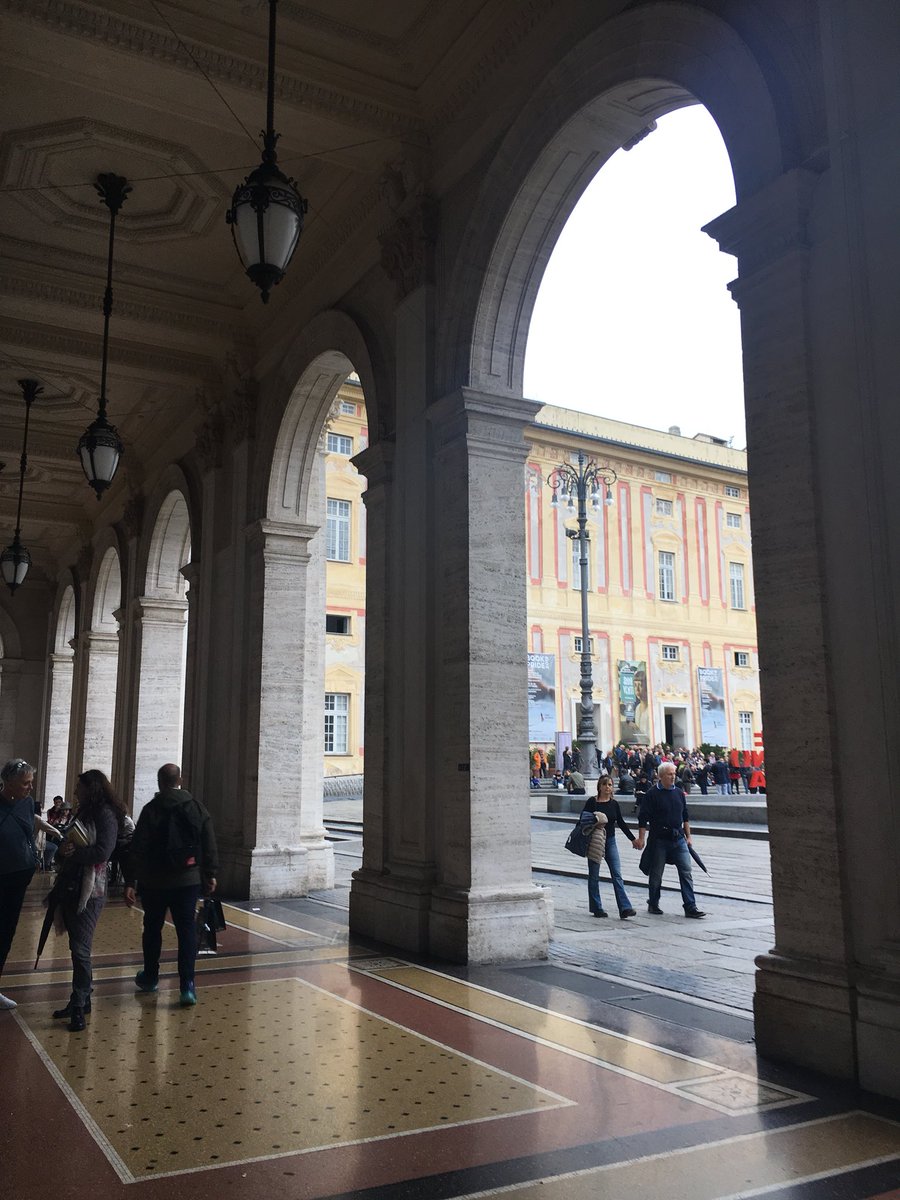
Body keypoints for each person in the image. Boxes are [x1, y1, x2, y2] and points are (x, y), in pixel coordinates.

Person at [124, 763, 218, 1007]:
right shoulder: (196, 807)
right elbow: (208, 842)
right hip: (187, 879)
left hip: (154, 881)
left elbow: (138, 847)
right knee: (186, 931)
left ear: (159, 782)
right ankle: (187, 985)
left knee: (152, 928)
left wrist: (131, 881)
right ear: (180, 780)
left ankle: (150, 976)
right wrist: (210, 873)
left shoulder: (151, 809)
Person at [48, 769, 126, 1030]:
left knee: (81, 949)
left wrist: (74, 854)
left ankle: (79, 1005)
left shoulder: (105, 814)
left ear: (91, 788)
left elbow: (103, 851)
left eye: (79, 787)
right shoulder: (84, 812)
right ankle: (82, 999)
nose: (74, 792)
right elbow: (68, 843)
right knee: (77, 946)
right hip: (72, 885)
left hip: (91, 891)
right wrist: (63, 850)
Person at [0, 759, 63, 1010]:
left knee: (6, 933)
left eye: (31, 782)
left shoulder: (27, 803)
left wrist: (32, 857)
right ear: (9, 783)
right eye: (26, 783)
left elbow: (30, 828)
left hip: (18, 879)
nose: (30, 787)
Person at [634, 761, 706, 919]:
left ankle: (690, 906)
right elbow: (643, 818)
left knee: (686, 871)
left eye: (674, 774)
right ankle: (653, 902)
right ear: (660, 776)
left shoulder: (679, 793)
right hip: (659, 839)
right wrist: (641, 838)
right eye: (669, 774)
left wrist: (688, 836)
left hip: (678, 839)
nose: (673, 777)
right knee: (656, 874)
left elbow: (685, 816)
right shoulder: (652, 794)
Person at [581, 775, 637, 919]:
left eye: (610, 785)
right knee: (594, 875)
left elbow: (621, 822)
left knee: (617, 874)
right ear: (599, 787)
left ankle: (625, 908)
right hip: (595, 841)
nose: (607, 787)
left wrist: (633, 839)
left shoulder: (614, 804)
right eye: (605, 784)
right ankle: (596, 907)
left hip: (610, 841)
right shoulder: (592, 802)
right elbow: (583, 819)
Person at [43, 795, 68, 871]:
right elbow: (50, 823)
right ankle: (48, 862)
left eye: (59, 802)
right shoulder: (50, 811)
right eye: (56, 802)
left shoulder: (64, 811)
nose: (58, 804)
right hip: (52, 831)